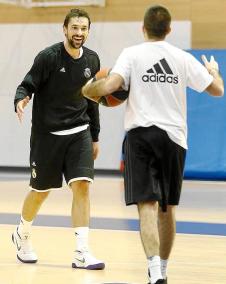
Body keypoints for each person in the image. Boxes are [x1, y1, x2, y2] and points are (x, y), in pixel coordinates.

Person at [82, 5, 224, 283]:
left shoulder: (132, 54)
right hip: (174, 139)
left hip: (141, 136)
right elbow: (217, 90)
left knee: (146, 204)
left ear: (142, 28)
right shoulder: (182, 58)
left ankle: (154, 270)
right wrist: (213, 70)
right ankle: (164, 269)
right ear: (169, 30)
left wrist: (88, 89)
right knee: (167, 208)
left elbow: (110, 87)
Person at [12, 8, 105, 270]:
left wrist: (95, 136)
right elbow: (27, 84)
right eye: (74, 28)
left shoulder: (92, 60)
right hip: (47, 136)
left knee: (82, 186)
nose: (79, 33)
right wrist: (21, 99)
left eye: (83, 28)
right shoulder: (48, 57)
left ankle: (81, 251)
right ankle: (22, 234)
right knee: (41, 191)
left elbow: (93, 101)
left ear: (88, 31)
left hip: (79, 132)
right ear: (64, 29)